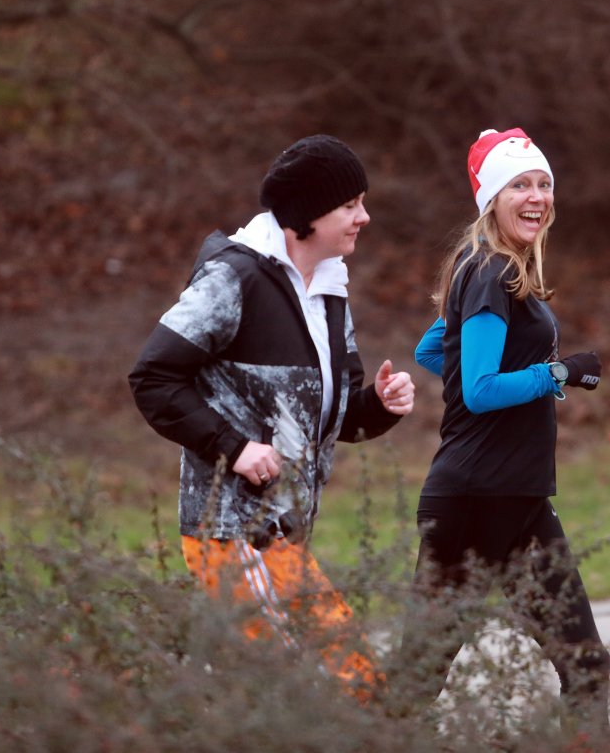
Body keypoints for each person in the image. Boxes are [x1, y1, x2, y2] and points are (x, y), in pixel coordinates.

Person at [127, 134, 415, 698]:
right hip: (231, 534)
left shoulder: (330, 290)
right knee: (336, 690)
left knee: (303, 694)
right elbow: (153, 378)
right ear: (307, 215)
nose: (365, 216)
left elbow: (336, 420)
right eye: (350, 205)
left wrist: (378, 406)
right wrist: (233, 448)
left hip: (282, 534)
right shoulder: (233, 280)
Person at [396, 127, 610, 736]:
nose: (537, 195)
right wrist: (558, 372)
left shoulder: (493, 268)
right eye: (521, 184)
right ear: (493, 197)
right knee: (418, 677)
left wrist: (530, 380)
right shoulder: (491, 272)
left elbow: (433, 349)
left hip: (513, 499)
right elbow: (480, 389)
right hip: (475, 501)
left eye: (544, 183)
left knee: (586, 663)